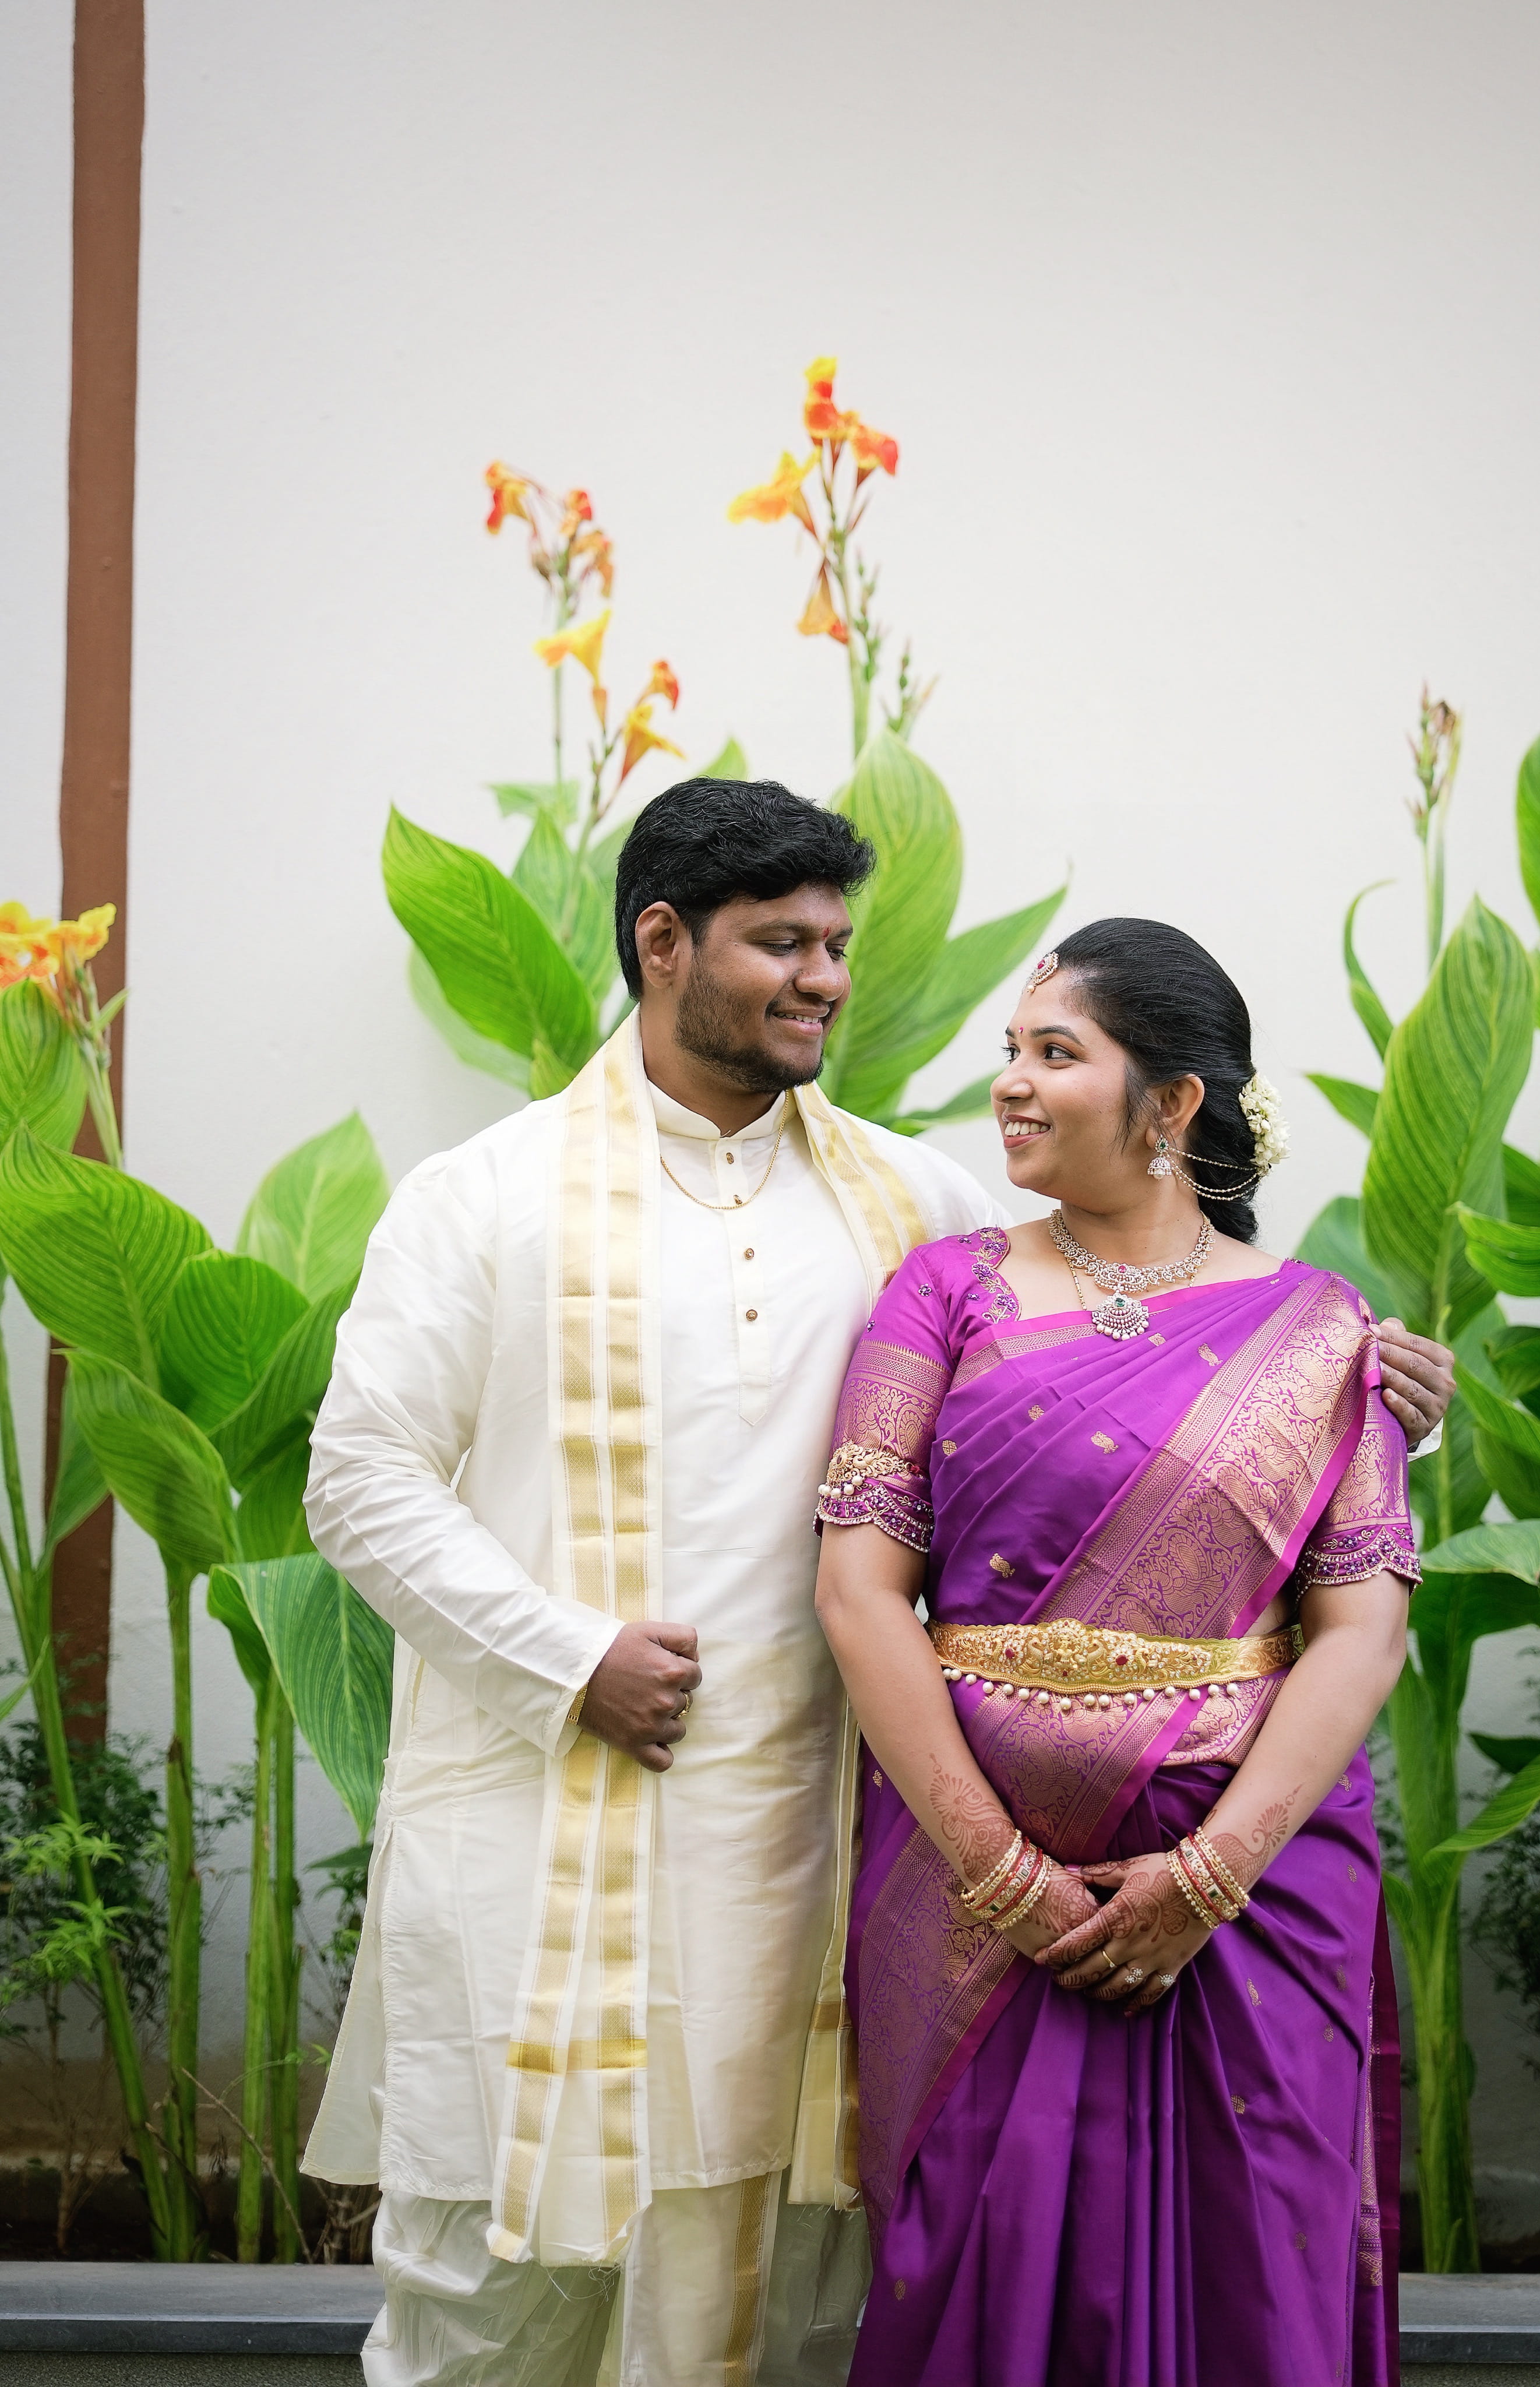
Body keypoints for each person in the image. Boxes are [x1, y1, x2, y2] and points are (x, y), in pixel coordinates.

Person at [304, 787, 1452, 2387]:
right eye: (785, 943)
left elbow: (1141, 1359)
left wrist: (1373, 1392)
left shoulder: (914, 1201)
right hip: (549, 1811)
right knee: (488, 2300)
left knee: (774, 2299)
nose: (828, 979)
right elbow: (358, 1479)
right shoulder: (481, 1197)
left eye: (839, 945)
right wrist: (568, 1657)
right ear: (661, 942)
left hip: (807, 1846)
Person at [816, 918, 1423, 2387]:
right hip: (973, 1887)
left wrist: (1209, 1877)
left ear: (1172, 1103)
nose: (1011, 1082)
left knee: (1251, 2259)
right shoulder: (943, 1292)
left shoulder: (1321, 1328)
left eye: (1055, 1051)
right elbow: (857, 1590)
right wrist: (1006, 1878)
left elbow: (1362, 1626)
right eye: (1011, 1051)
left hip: (1254, 1897)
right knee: (985, 2244)